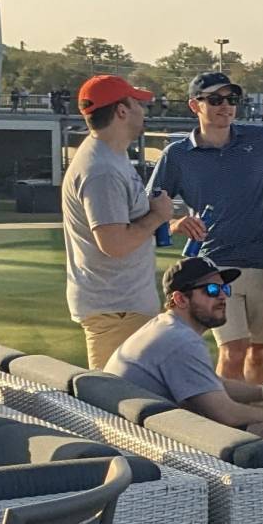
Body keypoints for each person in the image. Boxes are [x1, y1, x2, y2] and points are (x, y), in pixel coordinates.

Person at [150, 71, 263, 389]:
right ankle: (227, 424)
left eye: (232, 99)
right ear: (195, 105)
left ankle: (258, 419)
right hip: (215, 268)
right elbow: (145, 212)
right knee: (232, 349)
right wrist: (176, 224)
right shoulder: (177, 155)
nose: (226, 107)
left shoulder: (259, 139)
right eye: (215, 100)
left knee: (259, 352)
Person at [107, 259, 263, 436]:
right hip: (141, 441)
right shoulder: (181, 341)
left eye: (225, 289)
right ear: (181, 299)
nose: (223, 297)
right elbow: (226, 414)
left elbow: (210, 384)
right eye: (212, 290)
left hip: (132, 431)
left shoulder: (165, 326)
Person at [62, 73, 171, 369]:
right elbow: (115, 243)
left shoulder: (109, 157)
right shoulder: (102, 169)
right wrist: (158, 216)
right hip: (116, 308)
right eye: (137, 103)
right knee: (118, 404)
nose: (143, 110)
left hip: (122, 306)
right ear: (121, 111)